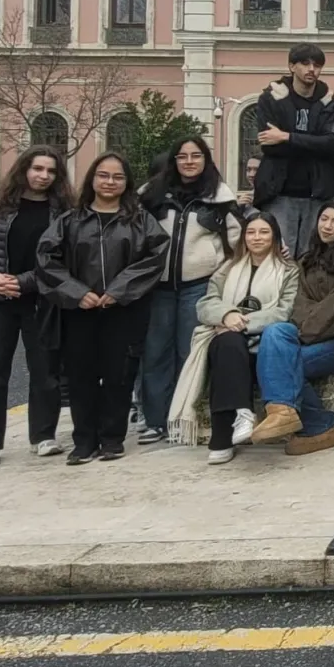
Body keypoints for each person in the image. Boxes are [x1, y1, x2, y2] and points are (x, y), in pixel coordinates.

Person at [36, 154, 169, 465]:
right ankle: (83, 441)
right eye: (103, 175)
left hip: (122, 309)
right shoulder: (70, 221)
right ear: (92, 179)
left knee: (118, 376)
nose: (110, 182)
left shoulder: (140, 220)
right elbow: (46, 260)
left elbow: (155, 257)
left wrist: (118, 291)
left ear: (127, 183)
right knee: (80, 377)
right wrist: (77, 293)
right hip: (79, 310)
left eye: (118, 177)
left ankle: (112, 438)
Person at [0, 146, 73, 467]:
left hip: (41, 300)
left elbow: (64, 257)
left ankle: (44, 436)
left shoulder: (63, 209)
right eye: (38, 168)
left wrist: (23, 282)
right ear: (23, 168)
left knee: (46, 370)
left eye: (51, 171)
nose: (44, 176)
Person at [138, 138, 244, 445]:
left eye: (196, 156)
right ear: (173, 160)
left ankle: (184, 419)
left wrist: (219, 268)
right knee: (155, 355)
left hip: (198, 285)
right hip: (157, 287)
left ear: (205, 160)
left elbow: (236, 237)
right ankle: (155, 421)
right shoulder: (151, 195)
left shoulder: (219, 197)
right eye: (182, 156)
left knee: (190, 354)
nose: (189, 161)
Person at [171, 213, 300, 463]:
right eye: (251, 232)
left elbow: (284, 310)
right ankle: (243, 413)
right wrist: (225, 314)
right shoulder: (228, 267)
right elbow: (206, 303)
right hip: (226, 339)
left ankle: (221, 439)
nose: (256, 237)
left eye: (264, 232)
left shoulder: (288, 270)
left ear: (275, 237)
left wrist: (240, 322)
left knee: (229, 344)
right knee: (228, 345)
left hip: (262, 343)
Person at [248, 198, 334, 454]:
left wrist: (306, 332)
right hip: (306, 332)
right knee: (275, 331)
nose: (327, 226)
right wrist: (302, 329)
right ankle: (284, 414)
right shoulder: (306, 258)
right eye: (324, 219)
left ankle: (319, 425)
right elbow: (299, 301)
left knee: (281, 364)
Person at [250, 44, 334, 255]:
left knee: (313, 256)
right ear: (292, 66)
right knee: (278, 255)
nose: (312, 69)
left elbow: (332, 144)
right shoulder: (272, 98)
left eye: (317, 65)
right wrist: (314, 142)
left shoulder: (331, 103)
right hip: (278, 192)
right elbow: (271, 147)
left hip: (318, 193)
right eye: (305, 63)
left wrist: (286, 137)